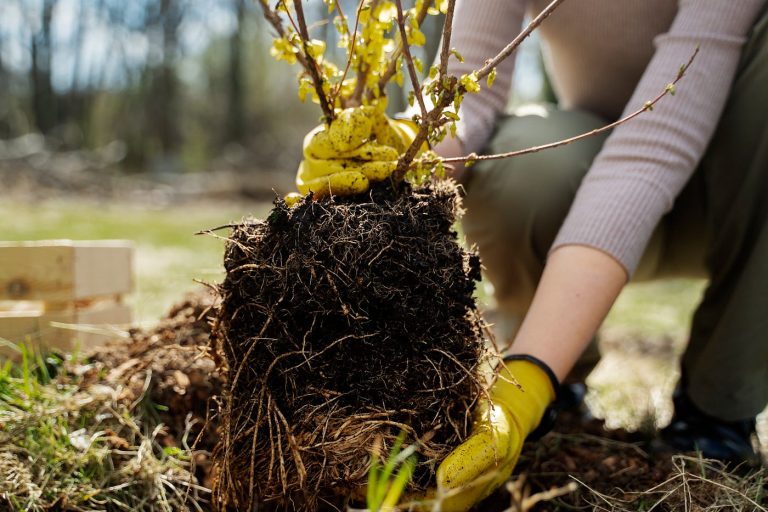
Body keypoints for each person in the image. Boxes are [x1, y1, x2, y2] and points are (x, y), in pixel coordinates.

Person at [294, 1, 768, 510]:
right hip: (590, 177)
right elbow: (467, 94)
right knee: (521, 160)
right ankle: (561, 382)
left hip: (742, 199)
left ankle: (718, 410)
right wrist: (407, 149)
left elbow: (654, 148)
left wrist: (526, 385)